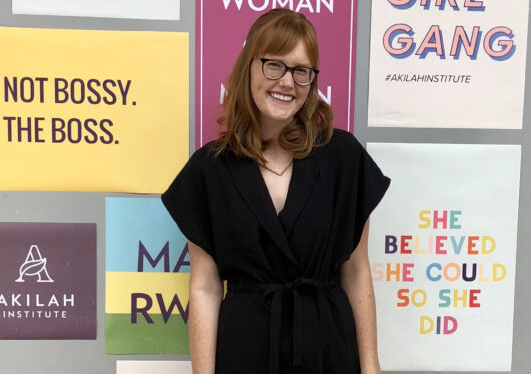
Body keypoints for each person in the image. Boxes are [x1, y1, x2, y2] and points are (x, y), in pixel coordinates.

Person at [161, 9, 390, 374]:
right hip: (246, 350)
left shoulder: (343, 158)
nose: (287, 82)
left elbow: (357, 272)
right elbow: (204, 287)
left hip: (328, 348)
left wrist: (371, 366)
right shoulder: (210, 169)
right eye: (274, 65)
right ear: (249, 67)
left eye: (301, 71)